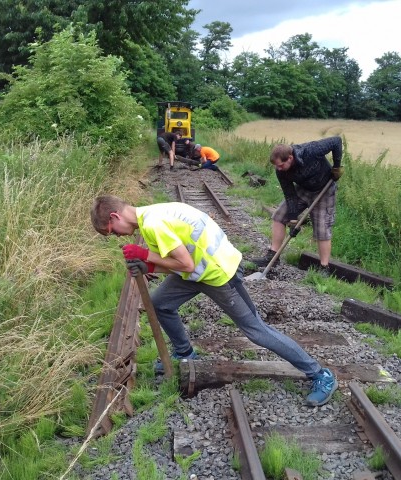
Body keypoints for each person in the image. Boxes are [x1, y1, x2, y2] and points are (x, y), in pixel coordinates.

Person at [91, 195, 338, 407]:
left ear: (114, 217)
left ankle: (320, 374)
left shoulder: (154, 224)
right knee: (160, 302)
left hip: (218, 274)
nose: (115, 237)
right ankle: (184, 353)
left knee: (256, 330)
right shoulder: (154, 213)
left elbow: (185, 264)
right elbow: (182, 264)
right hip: (200, 270)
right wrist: (150, 265)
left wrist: (145, 255)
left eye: (111, 232)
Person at [251, 137, 344, 276]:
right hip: (303, 190)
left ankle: (324, 268)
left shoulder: (311, 150)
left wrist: (336, 166)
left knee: (322, 229)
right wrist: (293, 221)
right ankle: (273, 256)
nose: (278, 169)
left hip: (324, 189)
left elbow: (337, 141)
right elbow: (290, 195)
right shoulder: (281, 172)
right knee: (279, 216)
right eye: (276, 166)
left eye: (280, 165)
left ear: (289, 158)